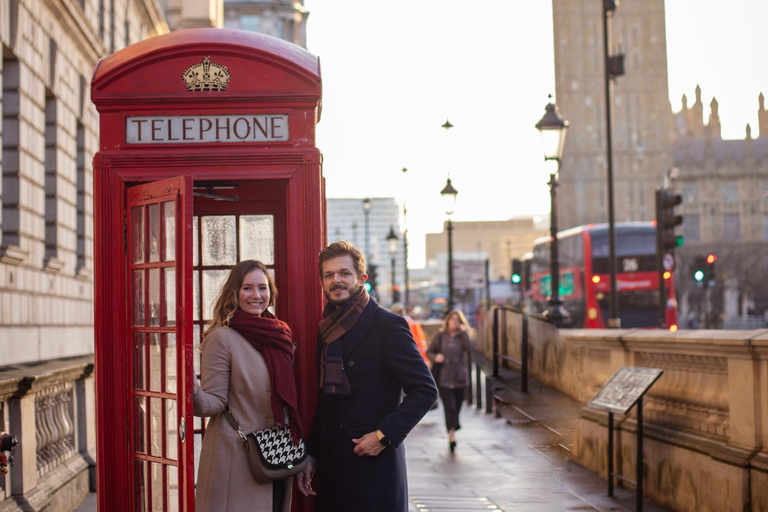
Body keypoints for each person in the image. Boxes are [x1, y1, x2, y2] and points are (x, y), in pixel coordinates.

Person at [298, 241, 437, 512]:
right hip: (333, 470)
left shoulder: (388, 326)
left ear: (361, 279)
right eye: (329, 275)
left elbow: (426, 390)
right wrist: (312, 455)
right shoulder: (325, 330)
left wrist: (383, 436)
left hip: (373, 471)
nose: (336, 280)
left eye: (344, 273)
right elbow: (326, 402)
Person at [193, 260, 302, 512]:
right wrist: (193, 391)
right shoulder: (222, 338)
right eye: (247, 288)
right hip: (237, 458)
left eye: (262, 288)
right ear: (234, 292)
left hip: (277, 453)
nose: (256, 295)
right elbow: (215, 403)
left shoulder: (278, 334)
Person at [427, 309, 473, 453]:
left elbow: (470, 350)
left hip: (460, 377)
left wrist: (464, 332)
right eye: (453, 320)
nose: (455, 322)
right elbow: (429, 351)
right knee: (449, 406)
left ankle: (453, 425)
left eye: (458, 320)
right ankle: (451, 435)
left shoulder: (462, 337)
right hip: (444, 378)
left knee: (458, 406)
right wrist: (436, 357)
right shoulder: (440, 336)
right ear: (448, 321)